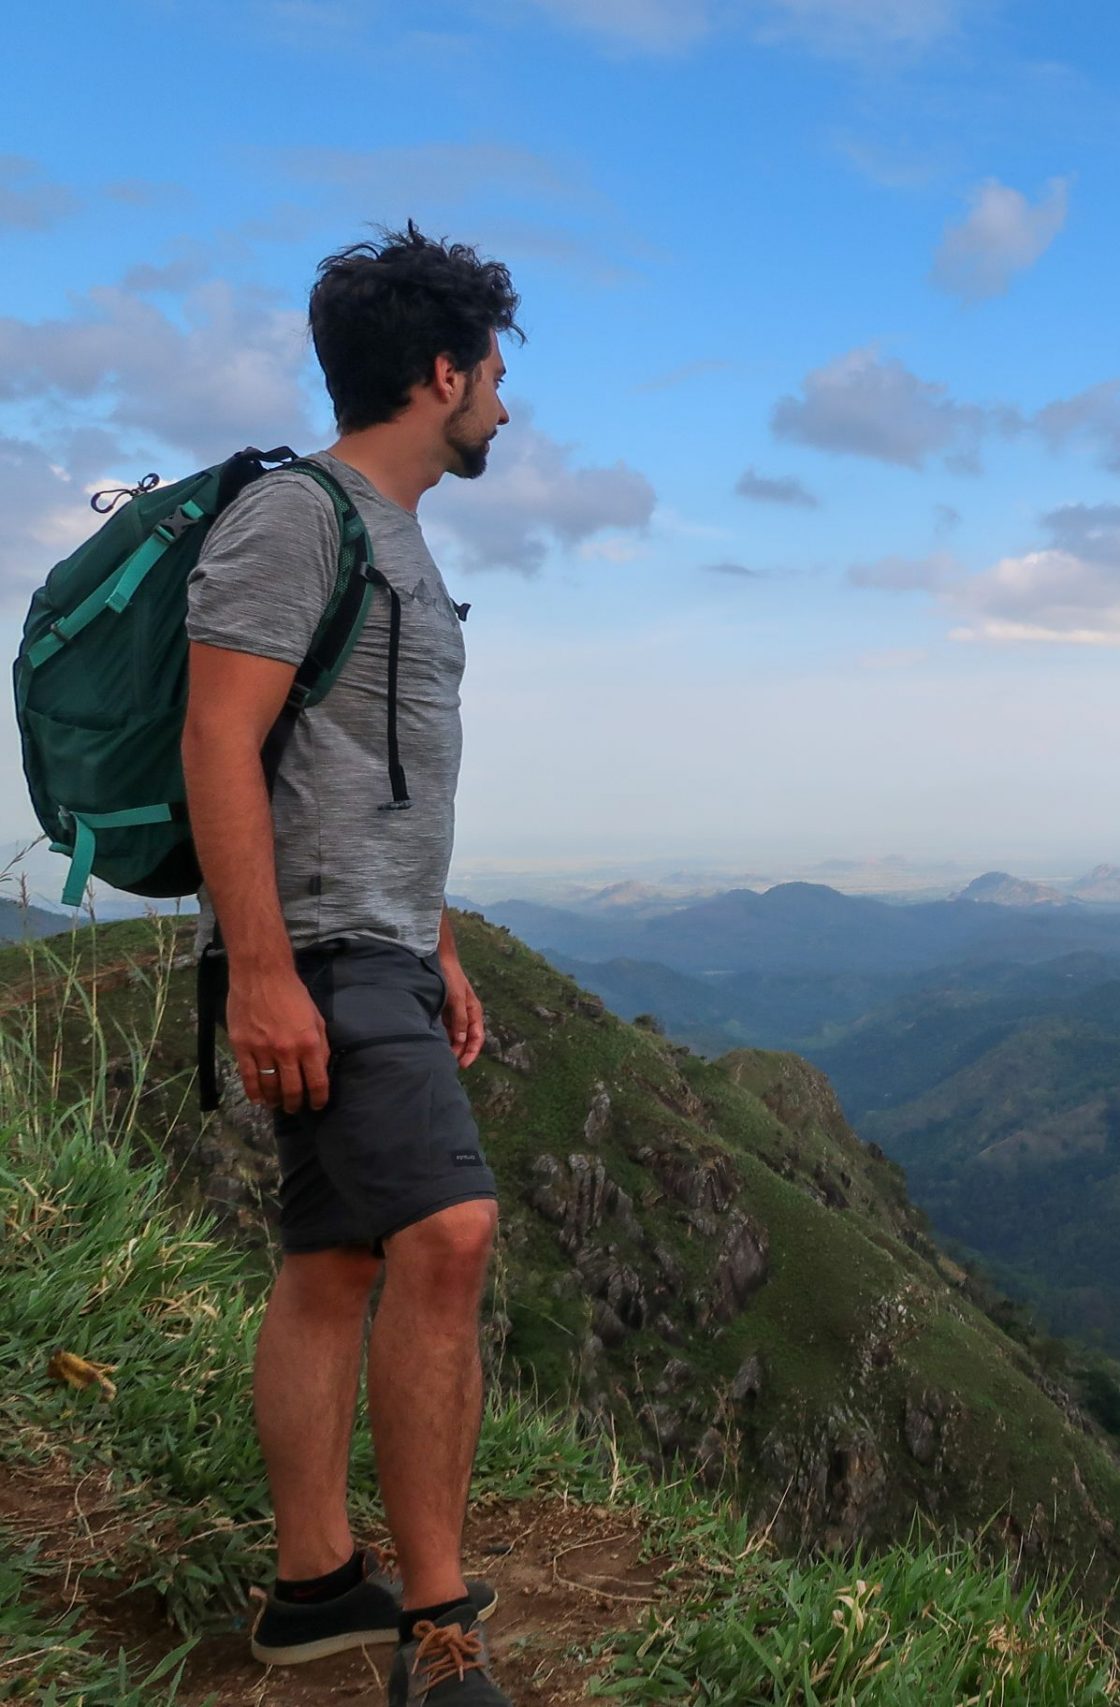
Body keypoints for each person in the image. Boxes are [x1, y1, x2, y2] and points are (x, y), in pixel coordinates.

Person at [183, 222, 515, 1706]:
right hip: (311, 953)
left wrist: (432, 940)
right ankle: (439, 1634)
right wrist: (262, 972)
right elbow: (221, 739)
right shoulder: (295, 519)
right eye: (495, 375)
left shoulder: (398, 539)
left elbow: (371, 776)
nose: (503, 406)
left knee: (331, 1265)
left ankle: (317, 1588)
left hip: (368, 945)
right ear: (440, 372)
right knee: (449, 1241)